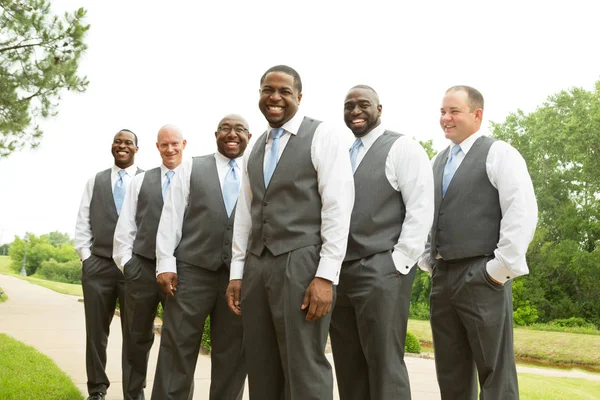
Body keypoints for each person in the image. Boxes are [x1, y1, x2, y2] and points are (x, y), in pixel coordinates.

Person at [226, 65, 355, 400]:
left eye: (284, 91)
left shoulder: (322, 136)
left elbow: (338, 209)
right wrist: (237, 273)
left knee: (304, 366)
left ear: (299, 96)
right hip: (257, 266)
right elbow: (246, 214)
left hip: (301, 263)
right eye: (268, 90)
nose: (275, 97)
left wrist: (326, 276)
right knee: (261, 364)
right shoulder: (255, 146)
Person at [418, 86, 538, 399]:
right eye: (442, 112)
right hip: (443, 279)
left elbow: (521, 210)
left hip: (482, 276)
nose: (446, 118)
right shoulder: (436, 161)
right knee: (451, 372)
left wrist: (497, 270)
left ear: (477, 114)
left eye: (453, 111)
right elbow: (426, 215)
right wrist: (428, 262)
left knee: (495, 376)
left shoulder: (499, 153)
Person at [330, 85, 434, 400]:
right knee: (348, 367)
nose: (355, 111)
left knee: (385, 366)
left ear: (379, 108)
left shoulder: (402, 147)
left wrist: (397, 263)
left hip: (381, 271)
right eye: (349, 106)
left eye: (363, 104)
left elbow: (421, 208)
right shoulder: (341, 155)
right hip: (339, 274)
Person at [151, 115, 250, 400]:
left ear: (249, 136)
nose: (232, 134)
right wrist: (166, 263)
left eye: (240, 129)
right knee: (177, 348)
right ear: (216, 134)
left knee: (232, 355)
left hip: (238, 277)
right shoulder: (192, 166)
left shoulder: (256, 171)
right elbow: (171, 216)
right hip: (191, 272)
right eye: (226, 129)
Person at [113, 124, 186, 400]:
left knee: (177, 340)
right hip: (142, 269)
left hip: (179, 272)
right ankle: (133, 396)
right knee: (136, 339)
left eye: (174, 144)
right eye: (164, 144)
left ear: (183, 144)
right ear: (157, 147)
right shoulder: (140, 181)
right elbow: (125, 228)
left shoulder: (192, 178)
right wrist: (129, 266)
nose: (169, 149)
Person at [74, 129, 142, 400]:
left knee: (135, 333)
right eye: (118, 141)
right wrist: (86, 256)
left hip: (134, 267)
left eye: (127, 142)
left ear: (137, 148)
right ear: (112, 146)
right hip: (98, 265)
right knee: (96, 332)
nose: (122, 145)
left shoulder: (147, 179)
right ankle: (97, 389)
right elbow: (83, 220)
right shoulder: (96, 180)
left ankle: (133, 392)